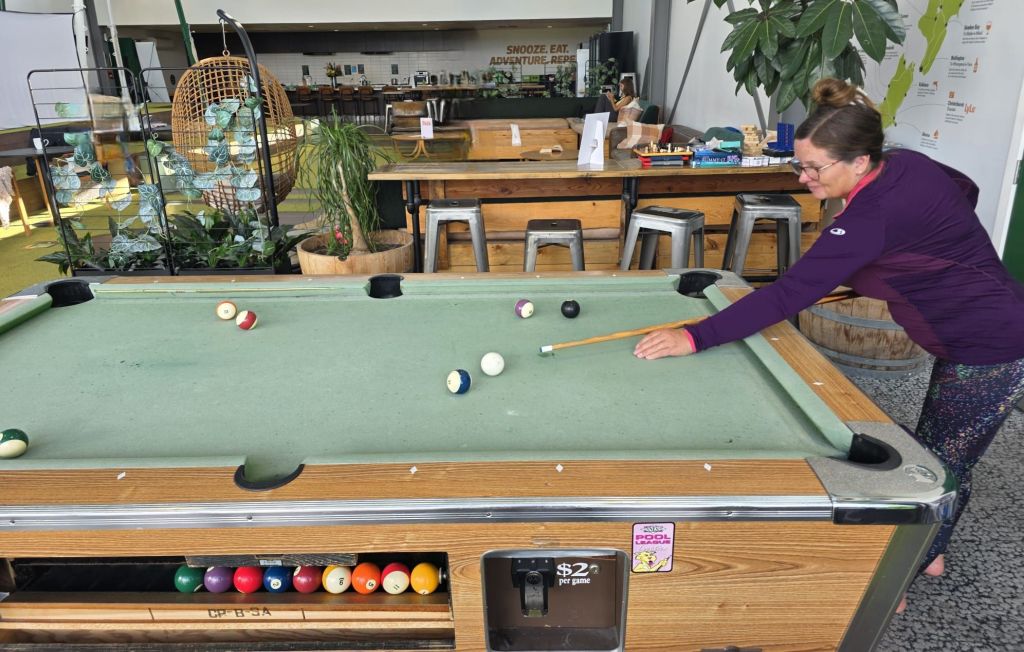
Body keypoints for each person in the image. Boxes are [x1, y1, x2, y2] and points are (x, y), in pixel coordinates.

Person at [633, 78, 1024, 613]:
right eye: (801, 164)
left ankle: (904, 573)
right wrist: (909, 256)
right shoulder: (906, 164)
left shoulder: (870, 218)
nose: (803, 177)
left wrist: (694, 336)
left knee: (938, 467)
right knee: (940, 448)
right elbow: (965, 189)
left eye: (815, 168)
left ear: (860, 162)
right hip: (974, 325)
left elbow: (786, 295)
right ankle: (931, 552)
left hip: (990, 342)